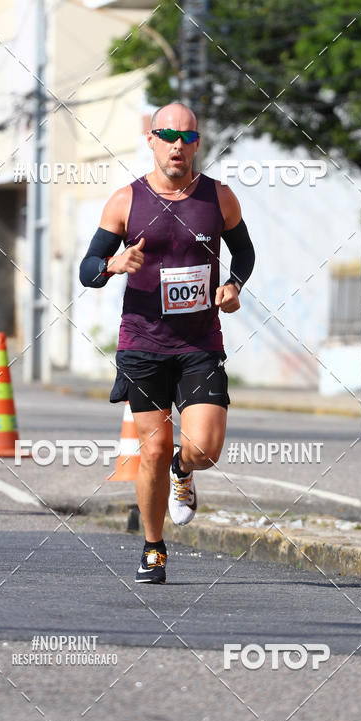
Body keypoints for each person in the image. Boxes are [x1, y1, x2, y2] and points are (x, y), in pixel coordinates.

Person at [80, 102, 255, 583]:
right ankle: (153, 547)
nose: (178, 145)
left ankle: (185, 470)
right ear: (151, 140)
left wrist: (234, 285)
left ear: (197, 143)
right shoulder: (125, 201)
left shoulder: (219, 198)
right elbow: (87, 269)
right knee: (152, 450)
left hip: (200, 343)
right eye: (168, 136)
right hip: (142, 343)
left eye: (188, 137)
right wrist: (112, 265)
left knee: (205, 449)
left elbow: (244, 251)